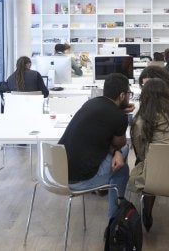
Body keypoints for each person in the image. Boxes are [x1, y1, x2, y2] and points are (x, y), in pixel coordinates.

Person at [58, 73, 135, 221]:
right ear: (122, 95)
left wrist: (119, 112)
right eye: (128, 94)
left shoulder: (90, 103)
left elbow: (103, 126)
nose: (128, 97)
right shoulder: (119, 117)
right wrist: (117, 150)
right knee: (123, 164)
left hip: (58, 174)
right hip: (79, 181)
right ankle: (114, 219)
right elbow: (120, 143)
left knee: (117, 158)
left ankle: (105, 193)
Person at [129, 78, 169, 232]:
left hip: (155, 176)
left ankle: (147, 211)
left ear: (144, 97)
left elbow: (141, 154)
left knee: (146, 166)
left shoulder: (140, 121)